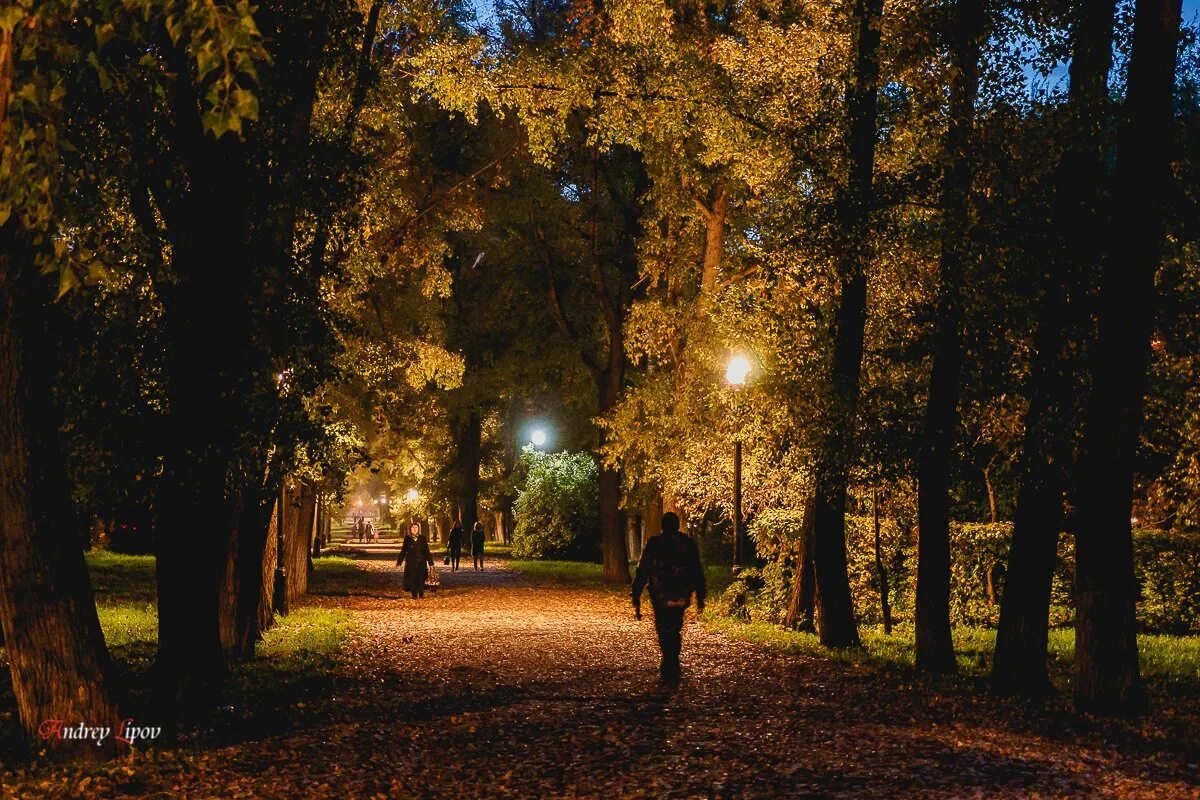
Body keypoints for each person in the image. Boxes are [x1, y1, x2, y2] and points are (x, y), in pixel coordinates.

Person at [631, 512, 706, 686]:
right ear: (677, 525)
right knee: (675, 626)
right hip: (681, 592)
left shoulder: (655, 543)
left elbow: (643, 569)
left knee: (663, 627)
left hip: (660, 593)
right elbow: (697, 570)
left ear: (663, 525)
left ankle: (669, 658)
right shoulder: (687, 544)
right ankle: (672, 658)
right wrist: (700, 596)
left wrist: (636, 593)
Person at [397, 522, 434, 599]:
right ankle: (414, 594)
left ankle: (421, 593)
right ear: (410, 529)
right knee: (412, 578)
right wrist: (399, 561)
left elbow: (426, 551)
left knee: (421, 577)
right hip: (411, 562)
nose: (414, 529)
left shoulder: (422, 538)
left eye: (416, 528)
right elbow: (403, 551)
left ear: (418, 529)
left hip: (421, 562)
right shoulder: (407, 538)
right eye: (413, 528)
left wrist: (431, 562)